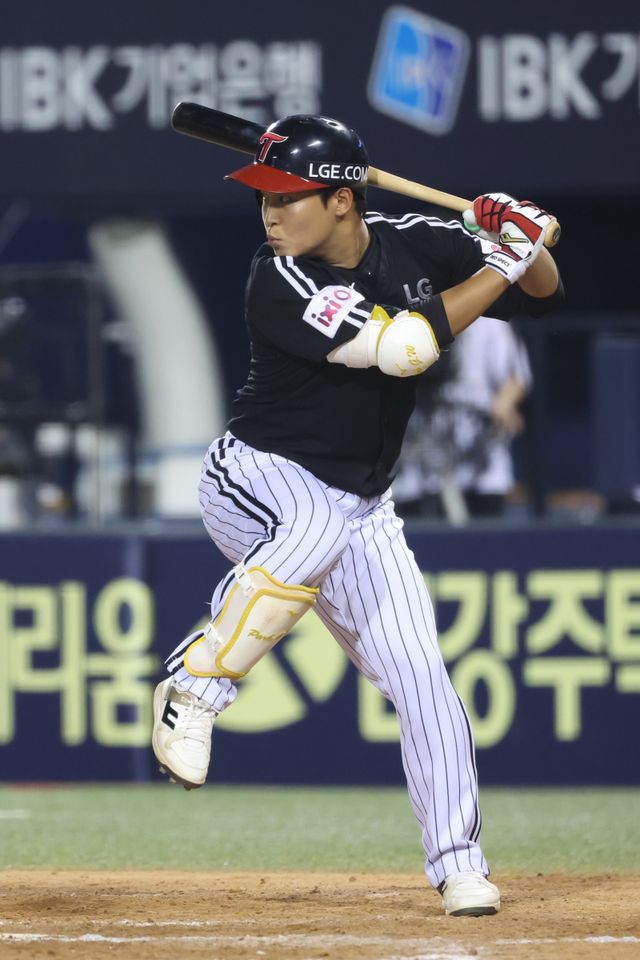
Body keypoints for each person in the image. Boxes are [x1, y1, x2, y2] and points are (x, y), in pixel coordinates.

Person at [151, 115, 563, 916]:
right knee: (312, 528)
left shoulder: (415, 241)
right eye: (265, 198)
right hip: (257, 476)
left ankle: (459, 864)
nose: (270, 213)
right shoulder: (278, 276)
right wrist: (505, 259)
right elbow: (405, 348)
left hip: (363, 505)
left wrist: (521, 237)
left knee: (425, 684)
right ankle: (193, 687)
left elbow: (543, 293)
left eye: (287, 197)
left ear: (342, 200)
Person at [394, 315, 533, 520]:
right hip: (417, 458)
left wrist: (503, 405)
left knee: (482, 534)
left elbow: (517, 377)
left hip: (478, 459)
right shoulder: (408, 315)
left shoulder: (489, 319)